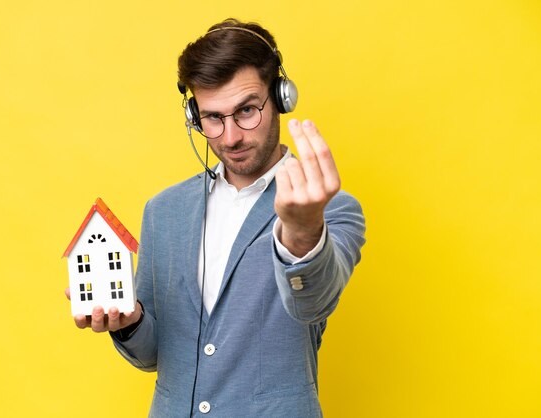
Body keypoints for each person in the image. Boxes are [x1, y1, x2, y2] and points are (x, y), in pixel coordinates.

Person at [66, 18, 366, 417]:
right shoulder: (163, 212)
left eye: (246, 110)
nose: (230, 137)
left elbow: (314, 302)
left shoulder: (333, 208)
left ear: (280, 97)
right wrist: (131, 321)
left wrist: (301, 231)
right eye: (212, 117)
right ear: (194, 115)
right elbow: (156, 355)